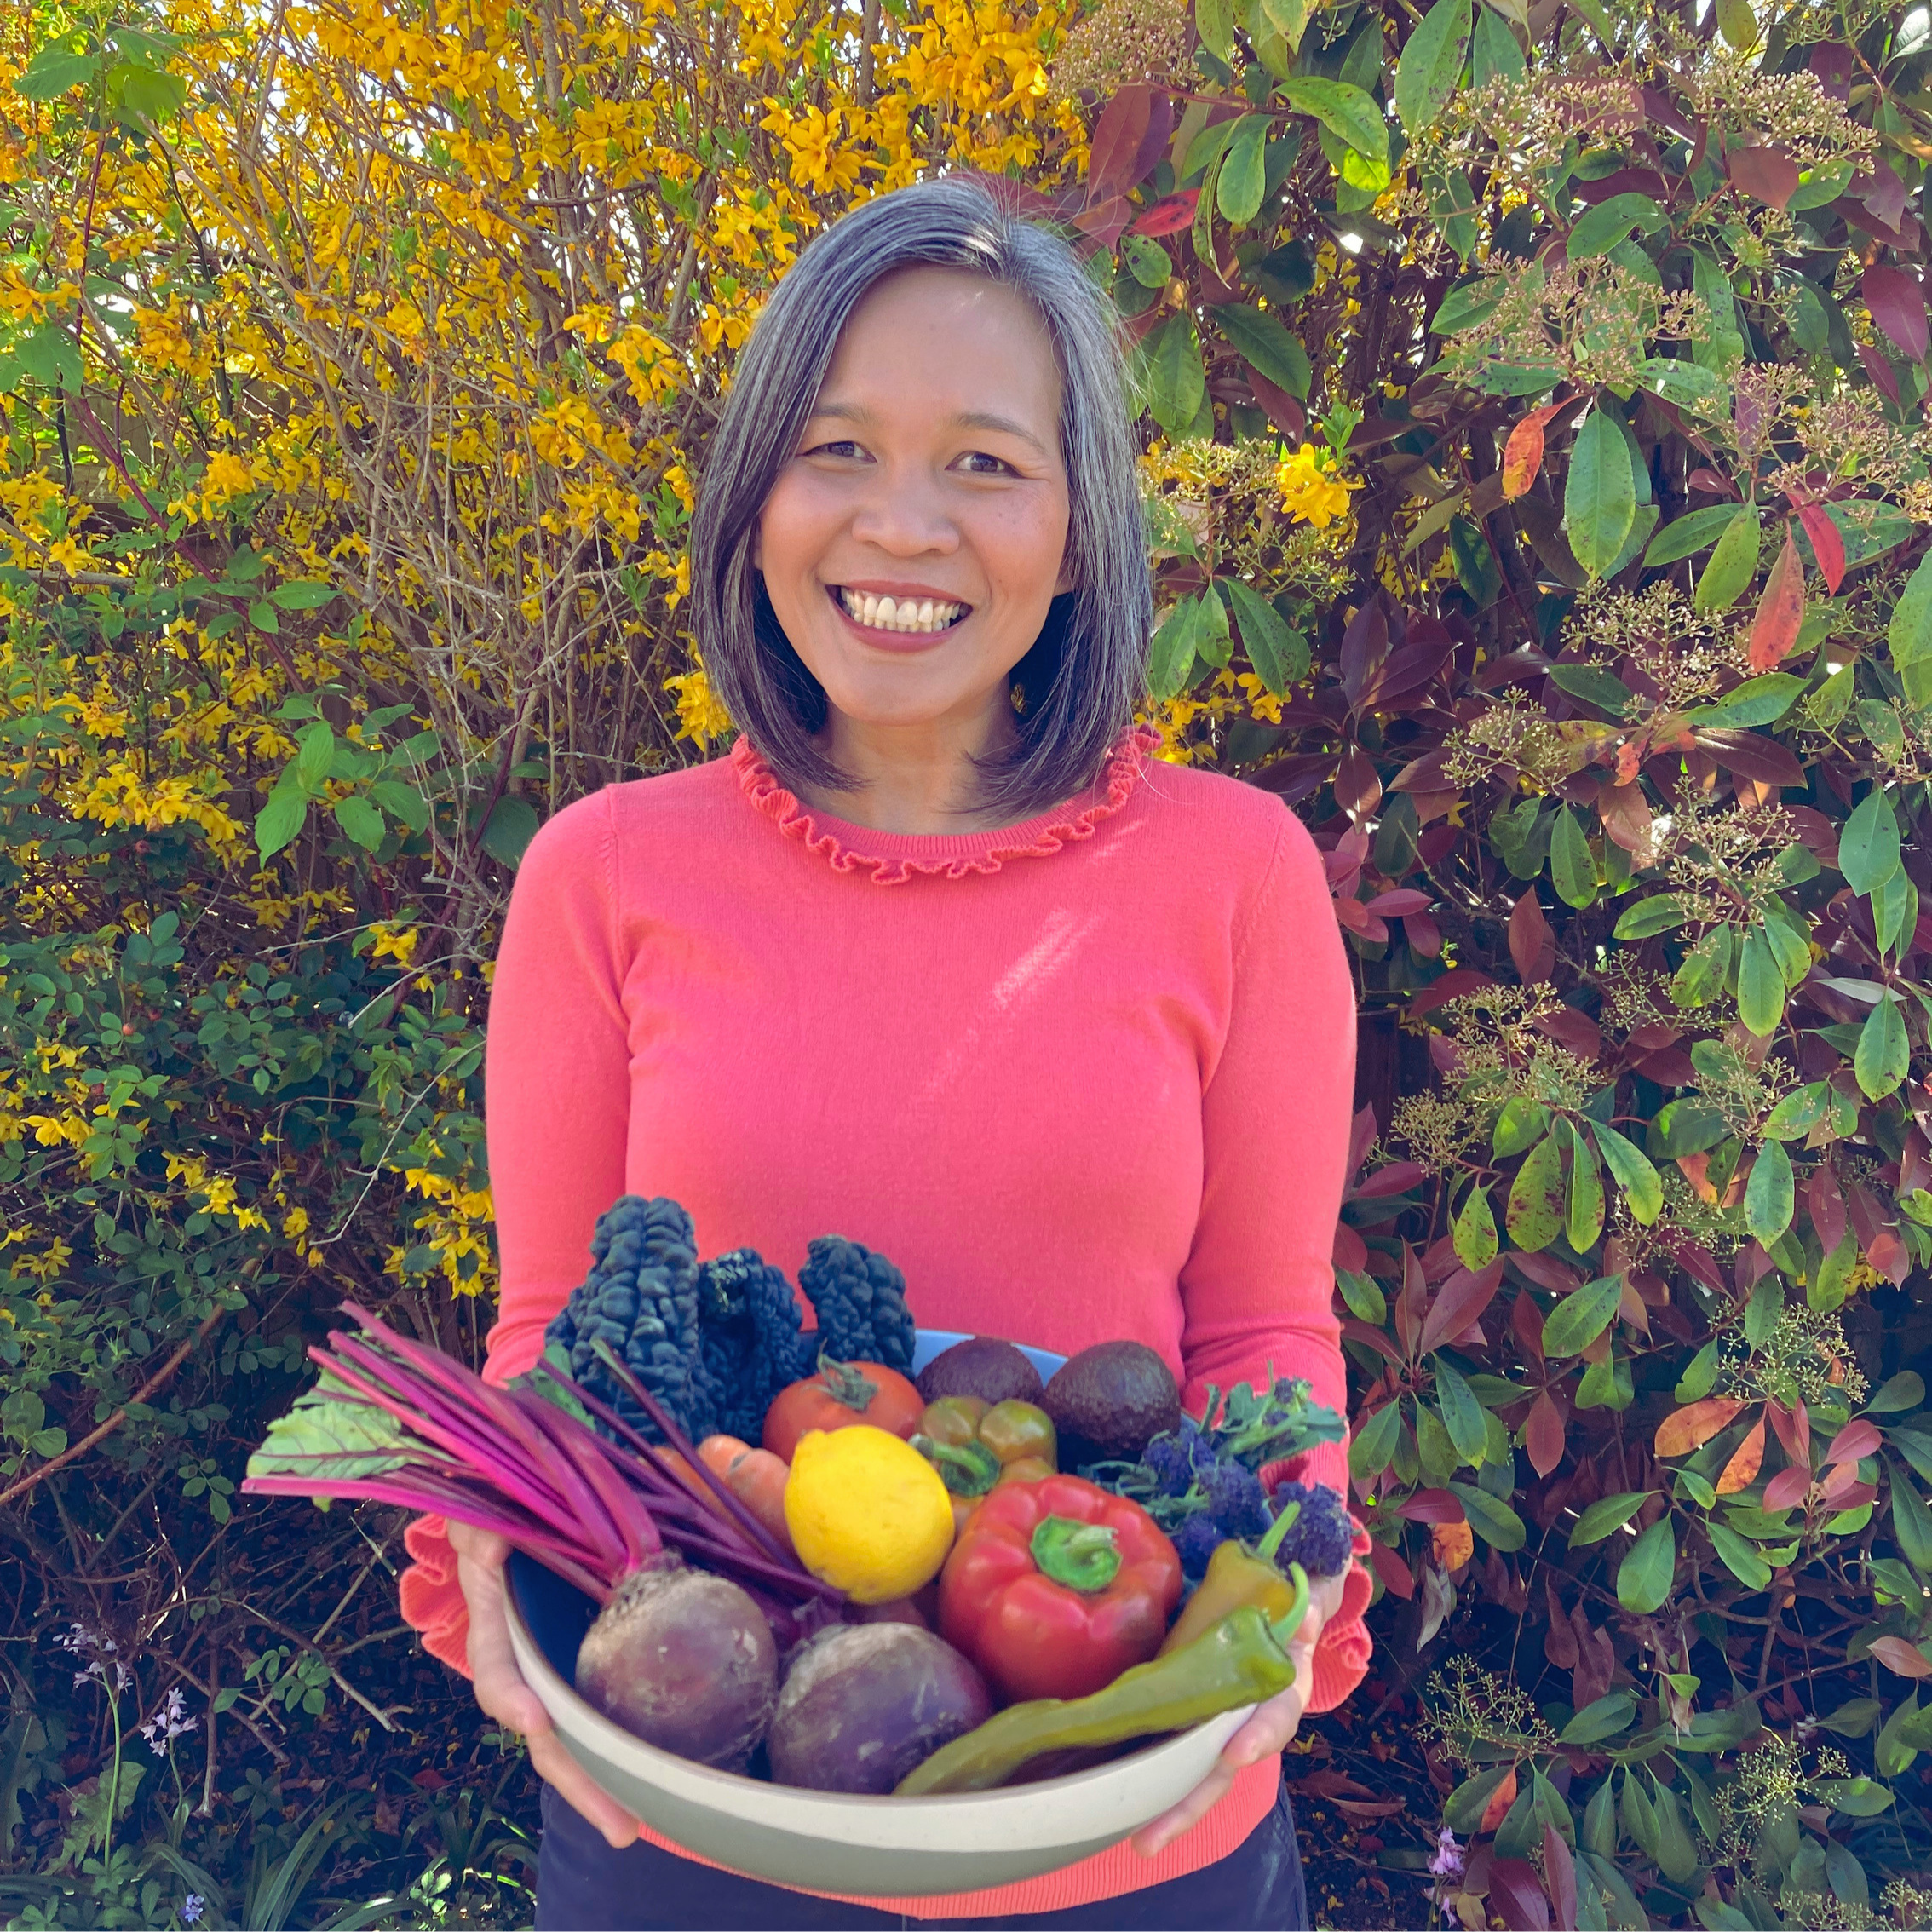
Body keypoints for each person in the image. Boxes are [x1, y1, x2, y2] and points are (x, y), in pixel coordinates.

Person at [397, 176, 1370, 1930]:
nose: (898, 526)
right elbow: (555, 1329)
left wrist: (1276, 1619)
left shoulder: (1240, 874)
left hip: (1130, 1842)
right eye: (835, 449)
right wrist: (495, 1550)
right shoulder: (604, 874)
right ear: (757, 494)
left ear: (1080, 533)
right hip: (685, 1832)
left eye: (984, 463)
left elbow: (1262, 1340)